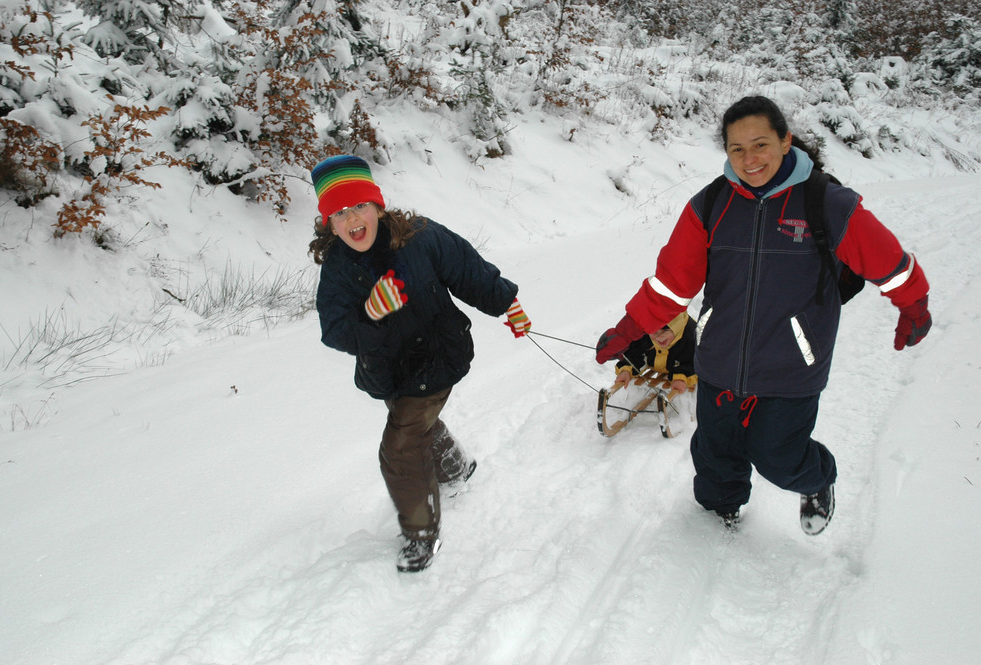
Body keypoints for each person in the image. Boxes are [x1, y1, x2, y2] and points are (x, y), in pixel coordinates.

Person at [595, 96, 932, 535]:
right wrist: (631, 327)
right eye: (737, 149)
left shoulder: (825, 202)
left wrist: (913, 303)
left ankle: (818, 478)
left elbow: (888, 260)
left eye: (760, 145)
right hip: (719, 359)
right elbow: (672, 281)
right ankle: (718, 514)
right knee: (716, 454)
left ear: (785, 139)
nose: (749, 159)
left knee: (779, 456)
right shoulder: (712, 204)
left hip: (791, 365)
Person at [309, 155, 531, 572]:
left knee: (400, 446)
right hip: (388, 371)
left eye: (358, 205)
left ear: (378, 205)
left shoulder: (421, 238)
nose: (352, 219)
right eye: (339, 213)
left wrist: (507, 304)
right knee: (414, 422)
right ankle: (455, 467)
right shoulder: (338, 269)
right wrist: (370, 315)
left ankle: (420, 535)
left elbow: (470, 271)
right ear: (329, 225)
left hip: (436, 355)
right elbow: (334, 329)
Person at [612, 311, 697, 395]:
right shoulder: (645, 334)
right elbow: (634, 352)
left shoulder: (690, 338)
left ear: (676, 327)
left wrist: (681, 378)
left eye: (665, 331)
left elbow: (692, 362)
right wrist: (626, 370)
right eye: (654, 331)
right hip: (656, 359)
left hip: (679, 363)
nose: (659, 336)